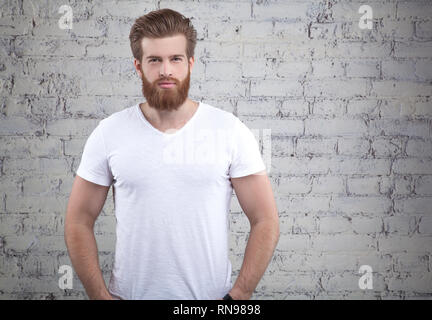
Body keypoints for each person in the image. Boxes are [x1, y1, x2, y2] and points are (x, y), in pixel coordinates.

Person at [65, 8, 279, 300]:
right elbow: (78, 220)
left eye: (175, 59)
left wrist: (240, 295)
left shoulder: (229, 130)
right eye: (155, 60)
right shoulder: (109, 132)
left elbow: (265, 219)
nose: (166, 70)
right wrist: (98, 295)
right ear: (138, 67)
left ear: (190, 64)